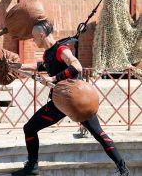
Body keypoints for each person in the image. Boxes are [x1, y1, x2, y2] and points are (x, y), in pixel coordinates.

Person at [11, 19, 130, 176]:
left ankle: (123, 169)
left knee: (98, 133)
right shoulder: (48, 53)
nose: (33, 40)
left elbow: (77, 66)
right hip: (60, 102)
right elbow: (43, 65)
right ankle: (32, 166)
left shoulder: (61, 49)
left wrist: (53, 79)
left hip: (76, 100)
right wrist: (19, 66)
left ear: (41, 35)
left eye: (34, 37)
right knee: (30, 128)